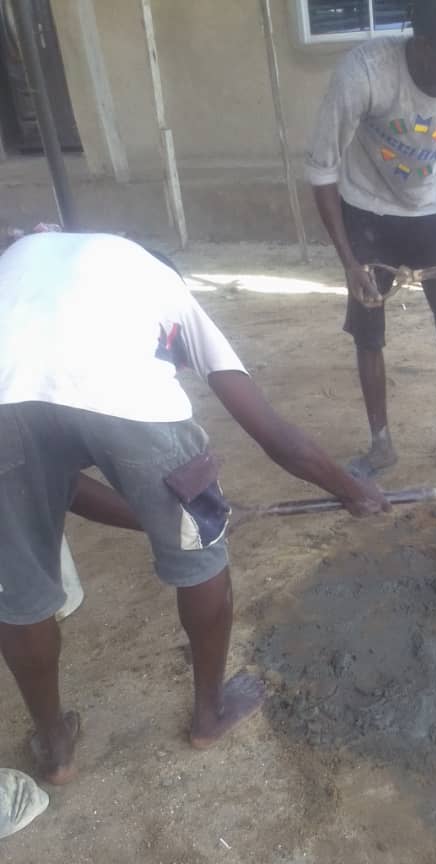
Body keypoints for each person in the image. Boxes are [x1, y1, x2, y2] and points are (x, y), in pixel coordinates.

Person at [0, 231, 388, 785]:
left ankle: (56, 747)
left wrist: (163, 519)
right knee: (203, 560)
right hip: (130, 399)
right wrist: (351, 490)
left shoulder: (31, 258)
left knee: (20, 591)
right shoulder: (167, 286)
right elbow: (273, 434)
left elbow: (58, 485)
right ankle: (209, 714)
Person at [306, 0, 436, 478]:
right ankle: (380, 445)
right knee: (368, 331)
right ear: (423, 45)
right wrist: (349, 263)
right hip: (367, 210)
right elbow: (322, 170)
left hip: (434, 209)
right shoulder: (364, 74)